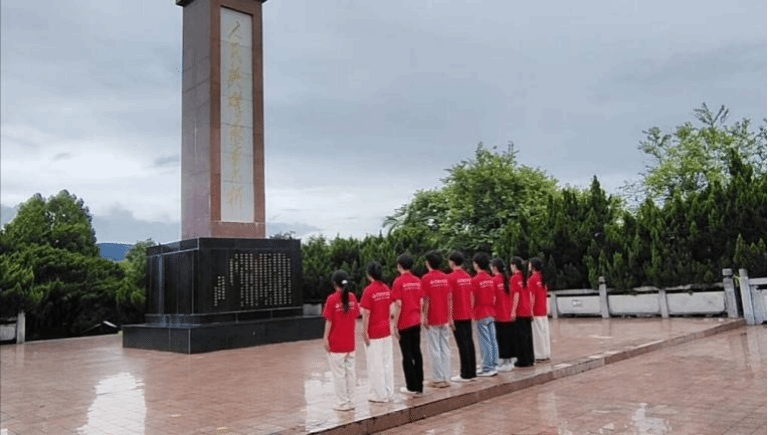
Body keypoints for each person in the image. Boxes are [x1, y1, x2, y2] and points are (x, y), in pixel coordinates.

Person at [323, 270, 361, 411]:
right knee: (350, 373)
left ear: (334, 283)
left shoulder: (332, 299)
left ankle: (342, 403)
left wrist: (325, 338)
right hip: (350, 343)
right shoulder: (353, 297)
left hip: (337, 343)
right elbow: (356, 317)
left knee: (339, 374)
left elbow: (329, 321)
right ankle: (352, 401)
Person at [360, 261, 395, 402]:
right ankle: (389, 392)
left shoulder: (369, 291)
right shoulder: (386, 288)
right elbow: (391, 309)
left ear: (369, 274)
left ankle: (379, 395)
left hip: (374, 332)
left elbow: (366, 313)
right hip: (386, 330)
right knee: (387, 363)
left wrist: (364, 331)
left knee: (375, 364)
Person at [391, 253, 424, 395]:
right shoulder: (417, 280)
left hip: (404, 322)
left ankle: (411, 386)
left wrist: (395, 324)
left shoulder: (398, 282)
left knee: (407, 355)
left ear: (399, 266)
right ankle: (419, 385)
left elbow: (398, 304)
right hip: (416, 321)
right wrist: (420, 317)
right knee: (417, 352)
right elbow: (421, 301)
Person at [421, 250, 452, 388]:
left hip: (433, 318)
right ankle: (446, 377)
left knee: (434, 349)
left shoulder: (426, 278)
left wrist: (424, 316)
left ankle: (438, 379)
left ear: (428, 263)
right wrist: (450, 316)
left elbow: (426, 300)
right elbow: (449, 298)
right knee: (445, 347)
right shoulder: (446, 277)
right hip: (444, 317)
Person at [447, 251, 477, 383]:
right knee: (469, 342)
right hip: (467, 313)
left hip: (457, 314)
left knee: (462, 344)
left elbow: (449, 298)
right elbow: (471, 295)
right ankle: (472, 371)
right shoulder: (467, 276)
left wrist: (450, 316)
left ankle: (465, 374)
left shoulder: (451, 278)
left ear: (452, 262)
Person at [472, 252, 498, 377]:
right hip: (491, 311)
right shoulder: (490, 279)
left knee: (484, 341)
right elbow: (494, 296)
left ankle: (487, 367)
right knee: (492, 339)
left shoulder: (475, 280)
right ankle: (493, 364)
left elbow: (473, 298)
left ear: (476, 264)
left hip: (481, 312)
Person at [510, 256, 534, 367]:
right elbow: (530, 294)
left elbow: (516, 295)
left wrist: (513, 311)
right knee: (528, 336)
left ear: (514, 265)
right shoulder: (525, 278)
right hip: (527, 310)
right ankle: (530, 358)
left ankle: (523, 360)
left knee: (520, 337)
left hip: (520, 311)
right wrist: (531, 310)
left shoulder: (514, 278)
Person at [491, 257, 515, 372]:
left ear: (495, 268)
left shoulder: (495, 280)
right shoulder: (508, 279)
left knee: (501, 339)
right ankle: (509, 361)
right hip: (508, 313)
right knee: (509, 338)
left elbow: (493, 298)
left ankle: (504, 362)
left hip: (499, 314)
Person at [528, 257, 551, 362]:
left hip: (536, 310)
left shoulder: (532, 280)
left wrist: (530, 311)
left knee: (538, 335)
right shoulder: (542, 278)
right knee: (544, 333)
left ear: (533, 266)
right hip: (543, 309)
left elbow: (531, 296)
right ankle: (546, 353)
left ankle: (539, 355)